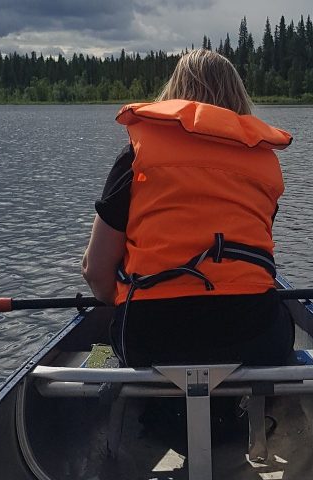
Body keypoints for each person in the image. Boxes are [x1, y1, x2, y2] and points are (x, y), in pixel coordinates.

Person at [82, 49, 294, 368]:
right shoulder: (262, 163)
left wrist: (124, 300)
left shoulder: (136, 157)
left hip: (149, 336)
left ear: (174, 94)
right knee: (274, 328)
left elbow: (96, 272)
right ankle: (240, 413)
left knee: (115, 342)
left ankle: (154, 409)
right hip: (252, 332)